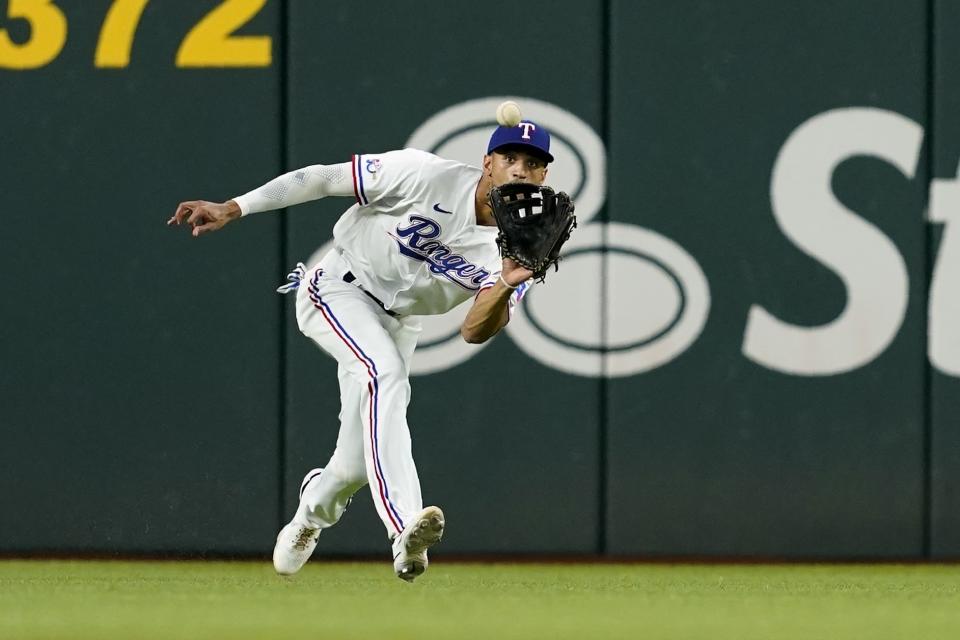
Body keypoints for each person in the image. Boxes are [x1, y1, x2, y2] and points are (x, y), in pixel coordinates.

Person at [168, 120, 555, 582]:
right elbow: (322, 179)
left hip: (399, 322)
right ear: (487, 163)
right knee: (384, 373)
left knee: (354, 463)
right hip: (337, 286)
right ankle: (403, 529)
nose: (520, 169)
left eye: (532, 164)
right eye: (510, 158)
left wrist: (507, 281)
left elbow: (474, 331)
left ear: (543, 179)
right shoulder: (423, 173)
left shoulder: (522, 246)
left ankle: (310, 514)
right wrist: (235, 207)